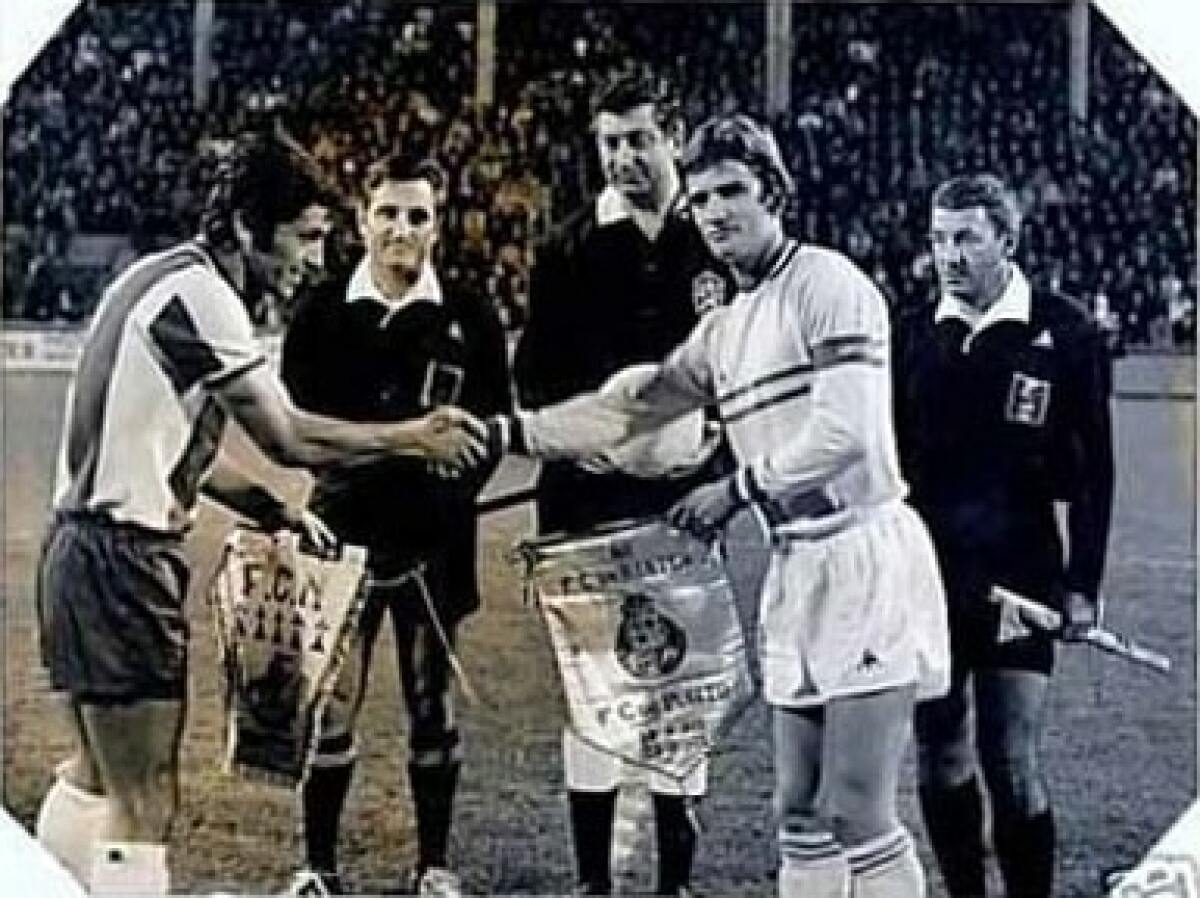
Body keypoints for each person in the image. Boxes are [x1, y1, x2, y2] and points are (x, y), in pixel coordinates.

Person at [490, 114, 950, 898]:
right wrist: (513, 432)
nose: (714, 212)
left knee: (858, 809)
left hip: (864, 555)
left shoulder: (828, 284)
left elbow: (843, 432)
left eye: (732, 191)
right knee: (798, 812)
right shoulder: (724, 329)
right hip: (797, 565)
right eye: (700, 199)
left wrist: (733, 490)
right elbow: (627, 410)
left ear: (774, 193)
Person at [33, 136, 488, 897]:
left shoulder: (157, 276)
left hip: (76, 554)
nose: (315, 257)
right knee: (146, 798)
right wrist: (413, 435)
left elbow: (184, 450)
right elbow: (290, 438)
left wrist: (272, 507)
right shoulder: (207, 298)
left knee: (93, 775)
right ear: (248, 227)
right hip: (123, 562)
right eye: (304, 237)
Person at [512, 69, 735, 897]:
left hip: (683, 502)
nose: (623, 157)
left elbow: (749, 367)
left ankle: (675, 884)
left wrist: (718, 447)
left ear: (673, 135)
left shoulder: (713, 238)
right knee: (594, 694)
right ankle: (592, 885)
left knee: (681, 687)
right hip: (587, 500)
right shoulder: (567, 247)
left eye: (639, 139)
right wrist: (586, 443)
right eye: (610, 142)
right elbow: (534, 378)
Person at [280, 150, 511, 897]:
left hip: (435, 544)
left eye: (418, 216)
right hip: (338, 539)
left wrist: (455, 476)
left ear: (438, 225)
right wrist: (402, 446)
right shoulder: (319, 311)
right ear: (362, 218)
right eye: (388, 213)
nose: (401, 229)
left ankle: (434, 868)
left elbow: (492, 428)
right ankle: (318, 869)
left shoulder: (471, 313)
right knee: (332, 704)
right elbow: (301, 430)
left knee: (430, 704)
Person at [892, 173, 1114, 898]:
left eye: (966, 238)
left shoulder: (1067, 332)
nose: (948, 255)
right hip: (928, 576)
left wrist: (1082, 585)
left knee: (1010, 757)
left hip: (1022, 572)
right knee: (939, 752)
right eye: (938, 239)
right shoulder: (911, 333)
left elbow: (1095, 473)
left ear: (1007, 241)